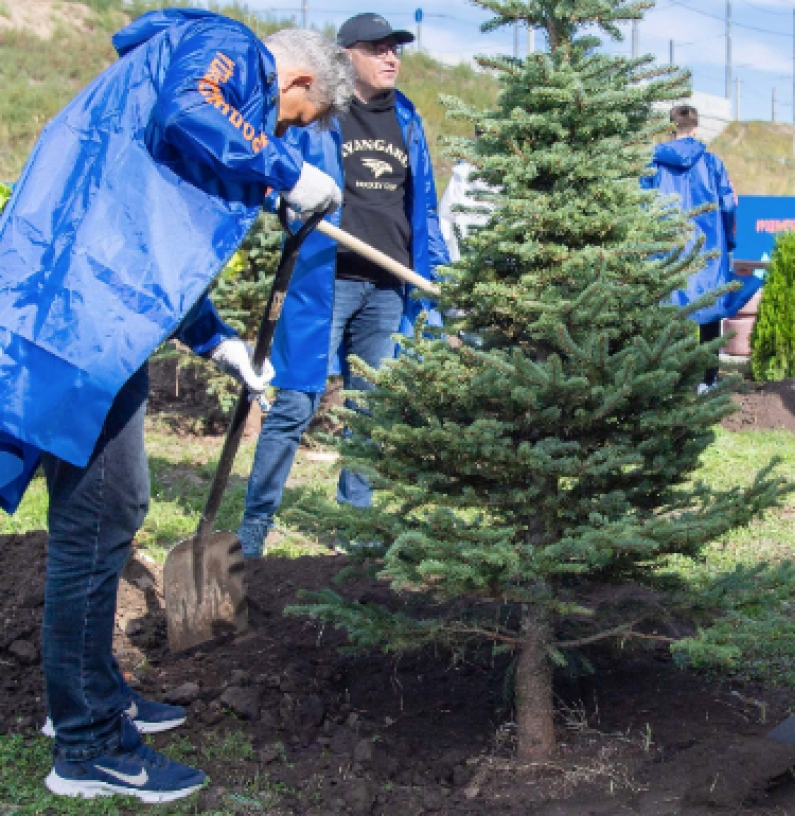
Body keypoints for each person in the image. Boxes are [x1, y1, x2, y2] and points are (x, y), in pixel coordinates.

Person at [0, 10, 352, 802]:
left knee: (109, 510)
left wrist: (215, 340)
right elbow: (194, 112)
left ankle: (89, 701)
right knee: (99, 521)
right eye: (294, 120)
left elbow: (149, 230)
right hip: (76, 316)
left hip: (93, 311)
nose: (283, 132)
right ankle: (88, 746)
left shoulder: (191, 72)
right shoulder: (225, 50)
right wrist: (283, 168)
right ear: (296, 80)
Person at [236, 12, 449, 558]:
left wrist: (438, 276)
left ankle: (353, 533)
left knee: (369, 412)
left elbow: (421, 203)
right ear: (347, 53)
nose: (391, 57)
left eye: (395, 49)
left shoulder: (407, 118)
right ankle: (254, 529)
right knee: (295, 406)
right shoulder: (321, 115)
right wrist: (286, 198)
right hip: (323, 281)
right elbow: (272, 176)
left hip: (388, 284)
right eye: (378, 48)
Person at [641, 104, 754, 392]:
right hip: (708, 248)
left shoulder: (653, 163)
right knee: (710, 312)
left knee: (667, 312)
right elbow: (728, 204)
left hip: (667, 248)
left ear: (670, 128)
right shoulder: (712, 163)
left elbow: (641, 206)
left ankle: (666, 379)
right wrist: (728, 241)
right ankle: (708, 380)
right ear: (696, 128)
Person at [439, 127, 494, 262]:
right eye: (479, 135)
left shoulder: (510, 174)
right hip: (462, 257)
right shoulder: (464, 170)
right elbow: (445, 216)